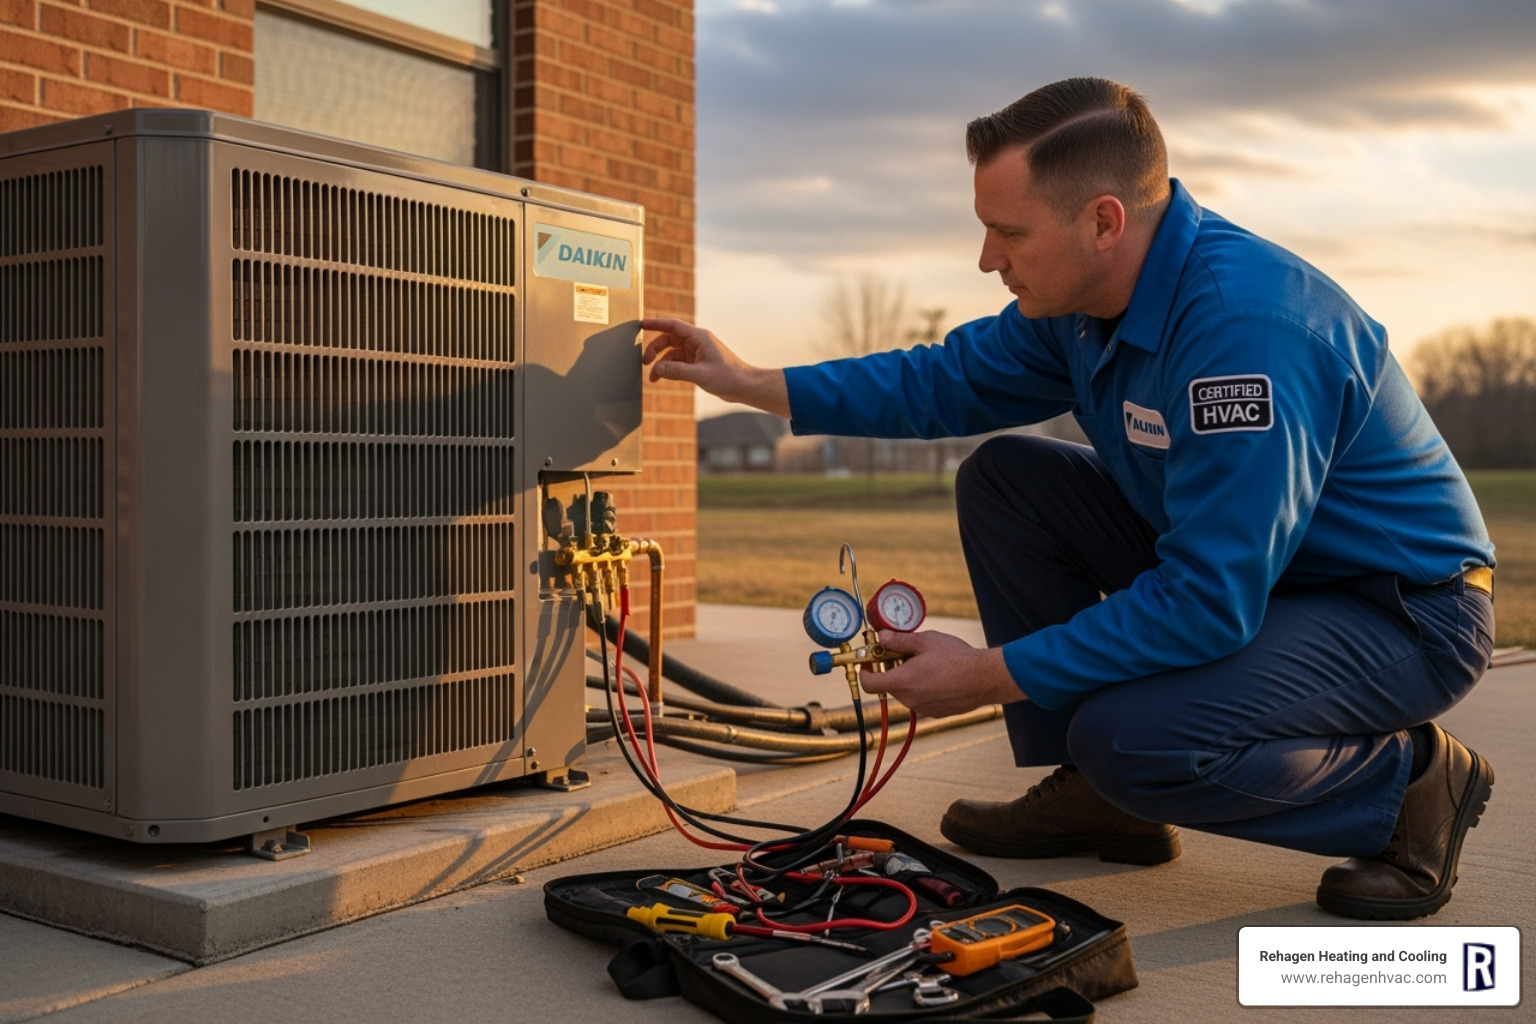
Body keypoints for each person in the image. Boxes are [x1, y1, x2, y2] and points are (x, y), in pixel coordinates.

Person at [641, 77, 1496, 920]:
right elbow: (941, 380)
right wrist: (751, 382)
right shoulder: (1081, 307)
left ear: (1103, 222)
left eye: (1008, 232)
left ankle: (1407, 791)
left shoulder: (1241, 336)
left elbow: (1207, 602)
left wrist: (984, 676)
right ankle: (1101, 801)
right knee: (1008, 479)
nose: (988, 258)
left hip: (1398, 609)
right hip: (1268, 574)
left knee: (1133, 738)